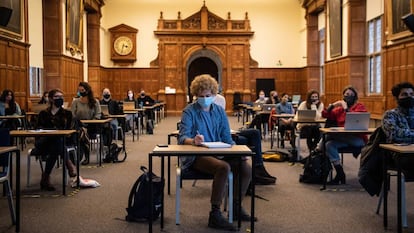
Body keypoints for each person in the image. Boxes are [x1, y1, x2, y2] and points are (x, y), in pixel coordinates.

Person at [178, 74, 255, 231]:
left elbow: (227, 138)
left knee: (246, 167)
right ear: (195, 95)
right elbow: (182, 137)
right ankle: (215, 214)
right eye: (201, 96)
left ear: (214, 94)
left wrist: (237, 151)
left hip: (220, 151)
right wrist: (194, 140)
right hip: (198, 154)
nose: (205, 98)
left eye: (208, 95)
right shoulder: (189, 111)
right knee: (223, 167)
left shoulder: (219, 111)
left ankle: (236, 207)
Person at [214, 92, 276, 185]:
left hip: (228, 132)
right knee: (245, 140)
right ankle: (257, 171)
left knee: (255, 132)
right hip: (220, 137)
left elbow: (223, 124)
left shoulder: (220, 101)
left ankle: (259, 168)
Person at [316, 85, 368, 185]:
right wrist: (332, 105)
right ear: (343, 96)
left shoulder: (359, 107)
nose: (348, 96)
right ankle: (340, 173)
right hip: (341, 139)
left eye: (351, 95)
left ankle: (318, 148)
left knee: (327, 136)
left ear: (355, 97)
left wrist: (345, 108)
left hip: (357, 139)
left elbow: (353, 118)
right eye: (346, 94)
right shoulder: (339, 110)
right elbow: (325, 115)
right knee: (329, 145)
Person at [34, 89, 76, 191]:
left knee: (57, 143)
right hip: (44, 142)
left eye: (62, 96)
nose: (60, 98)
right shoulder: (43, 114)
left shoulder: (67, 114)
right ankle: (68, 163)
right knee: (57, 143)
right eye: (57, 97)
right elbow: (38, 129)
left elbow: (69, 131)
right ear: (51, 99)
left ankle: (45, 177)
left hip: (61, 142)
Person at [382, 82, 414, 180]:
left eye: (412, 94)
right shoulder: (390, 115)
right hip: (398, 155)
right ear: (397, 98)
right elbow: (394, 134)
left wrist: (407, 133)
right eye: (404, 94)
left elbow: (402, 132)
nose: (409, 97)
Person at [71, 82, 102, 165]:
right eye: (79, 90)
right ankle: (83, 155)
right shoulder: (75, 102)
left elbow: (98, 114)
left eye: (82, 90)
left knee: (82, 133)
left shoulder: (95, 102)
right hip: (79, 125)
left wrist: (91, 122)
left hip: (91, 125)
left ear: (87, 90)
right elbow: (72, 114)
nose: (80, 92)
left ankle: (82, 155)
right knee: (81, 132)